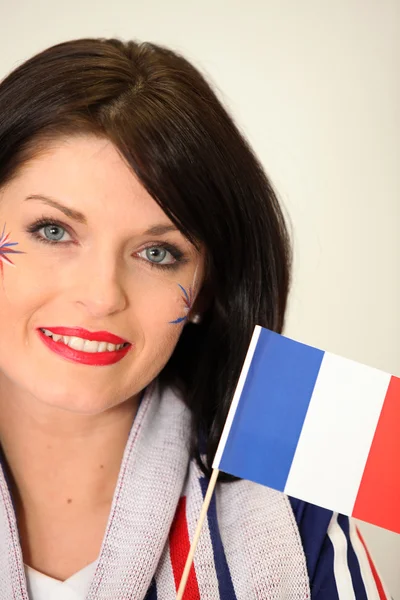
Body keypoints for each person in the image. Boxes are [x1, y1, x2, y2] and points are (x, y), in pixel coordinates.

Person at [0, 37, 391, 600]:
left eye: (158, 253)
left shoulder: (291, 506)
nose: (101, 296)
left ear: (208, 289)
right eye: (54, 231)